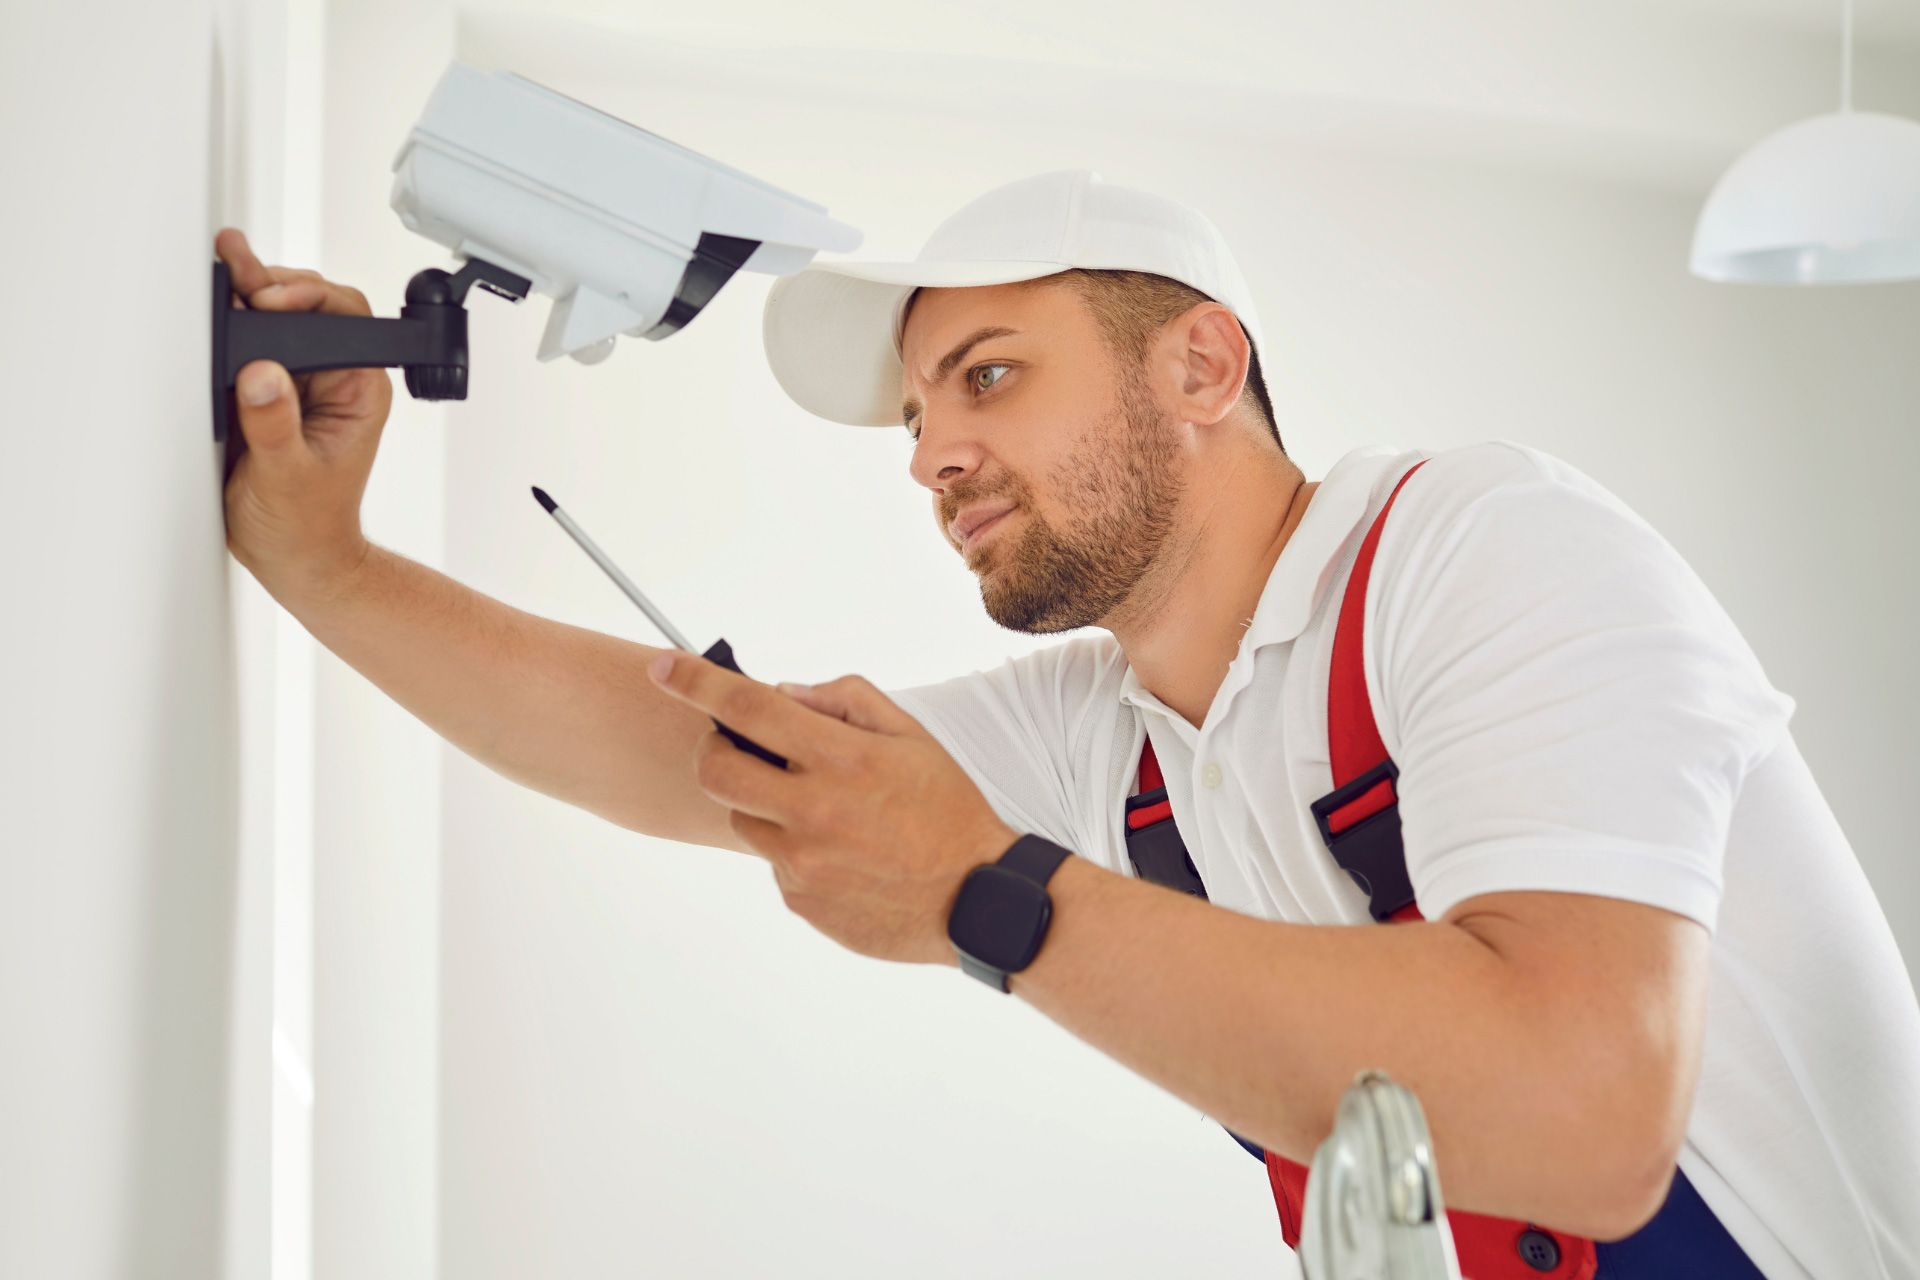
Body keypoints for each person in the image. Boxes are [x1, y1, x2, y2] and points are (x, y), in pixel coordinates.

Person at [215, 169, 1920, 1280]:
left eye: (992, 374)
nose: (929, 453)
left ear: (1201, 363)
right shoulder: (1117, 730)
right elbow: (696, 755)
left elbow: (1582, 1110)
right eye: (915, 411)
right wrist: (327, 564)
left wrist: (993, 895)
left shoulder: (1476, 548)